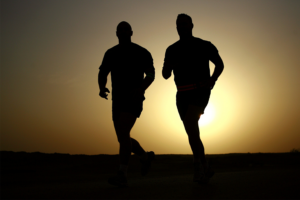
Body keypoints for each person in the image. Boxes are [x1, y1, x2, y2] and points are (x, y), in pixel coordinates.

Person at [162, 14, 224, 184]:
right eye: (178, 24)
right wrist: (170, 66)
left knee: (190, 123)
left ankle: (196, 165)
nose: (181, 27)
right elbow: (165, 75)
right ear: (176, 27)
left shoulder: (204, 45)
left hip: (200, 91)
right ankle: (205, 165)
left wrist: (212, 79)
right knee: (192, 132)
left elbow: (220, 64)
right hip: (181, 93)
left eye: (184, 24)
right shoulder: (171, 49)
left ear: (191, 25)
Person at [98, 21, 155, 187]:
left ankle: (122, 173)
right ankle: (145, 157)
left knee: (123, 132)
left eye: (125, 30)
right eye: (120, 30)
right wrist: (102, 87)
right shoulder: (110, 53)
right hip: (117, 99)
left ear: (131, 32)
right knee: (123, 137)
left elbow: (151, 73)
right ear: (116, 33)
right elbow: (103, 72)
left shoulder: (141, 52)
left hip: (134, 97)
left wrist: (141, 88)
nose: (123, 32)